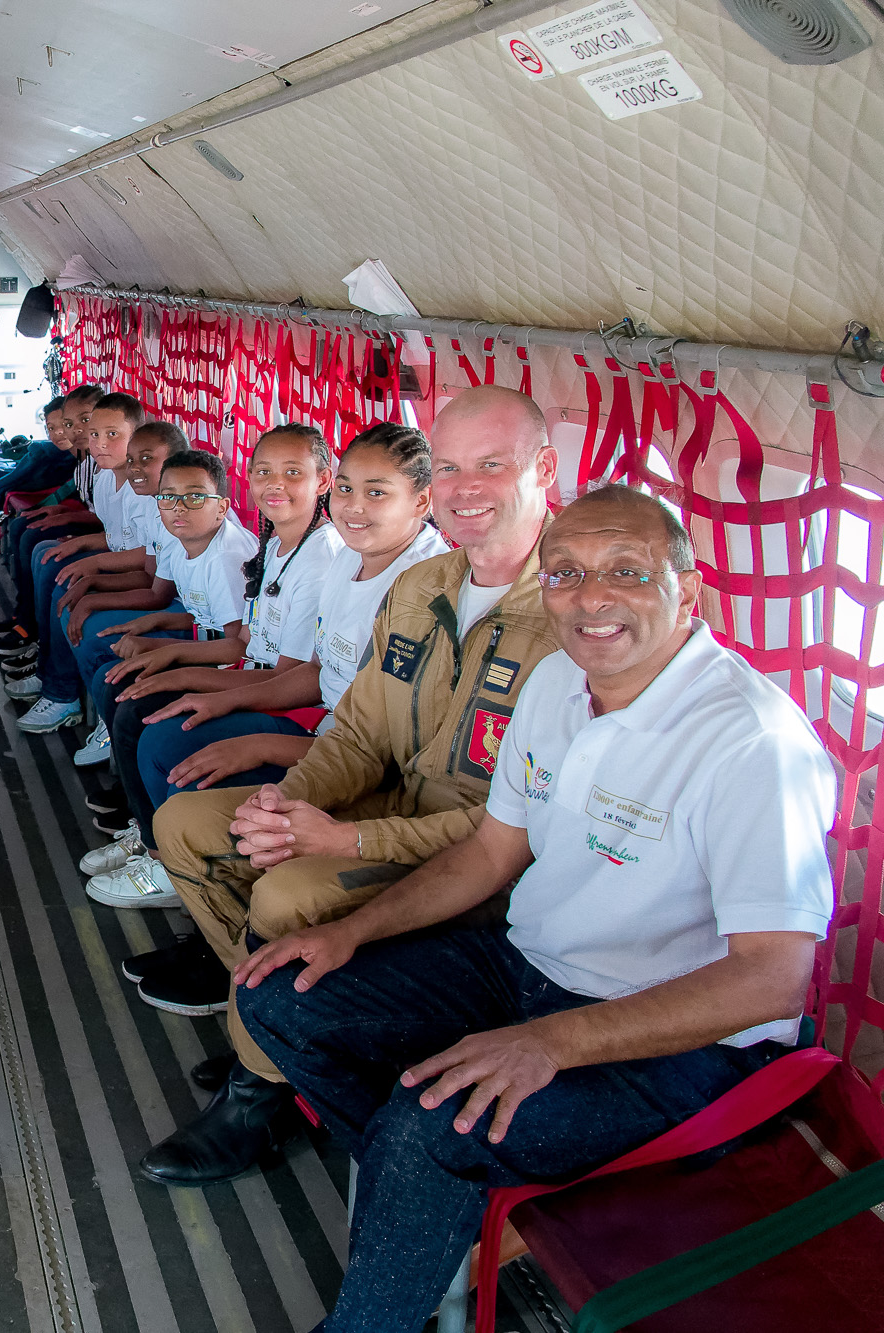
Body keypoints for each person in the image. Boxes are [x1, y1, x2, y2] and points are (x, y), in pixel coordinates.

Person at [233, 485, 835, 1333]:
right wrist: (346, 932)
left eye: (627, 570)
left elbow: (772, 981)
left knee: (425, 1127)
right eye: (566, 573)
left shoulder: (751, 742)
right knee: (279, 996)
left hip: (681, 1044)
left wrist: (548, 1042)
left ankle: (385, 1283)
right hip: (527, 969)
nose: (592, 597)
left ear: (687, 592)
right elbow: (489, 853)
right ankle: (433, 1199)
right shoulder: (557, 679)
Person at [139, 385, 566, 1186]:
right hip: (389, 804)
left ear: (544, 468)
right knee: (190, 824)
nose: (465, 487)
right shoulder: (423, 588)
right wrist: (289, 799)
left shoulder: (567, 618)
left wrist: (342, 838)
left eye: (491, 465)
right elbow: (362, 729)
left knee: (283, 896)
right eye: (449, 467)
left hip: (479, 860)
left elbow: (515, 828)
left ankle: (254, 1091)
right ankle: (275, 1024)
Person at [91, 424, 346, 865]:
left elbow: (288, 673)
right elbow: (244, 642)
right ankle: (150, 837)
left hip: (294, 706)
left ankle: (163, 857)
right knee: (129, 694)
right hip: (256, 675)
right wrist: (174, 661)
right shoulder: (277, 545)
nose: (275, 485)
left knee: (152, 731)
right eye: (263, 472)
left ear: (323, 480)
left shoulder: (323, 558)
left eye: (292, 473)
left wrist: (194, 680)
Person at [59, 431, 258, 771]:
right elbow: (202, 616)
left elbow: (236, 646)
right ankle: (122, 772)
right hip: (205, 640)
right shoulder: (178, 535)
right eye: (169, 497)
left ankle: (137, 806)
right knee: (113, 679)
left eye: (194, 498)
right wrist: (155, 624)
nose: (179, 507)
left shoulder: (227, 556)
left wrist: (165, 647)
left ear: (221, 507)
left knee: (130, 698)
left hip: (235, 666)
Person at [8, 391, 147, 732]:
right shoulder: (102, 477)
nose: (97, 441)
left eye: (111, 434)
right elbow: (115, 537)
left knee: (63, 584)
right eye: (94, 433)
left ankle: (62, 694)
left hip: (148, 578)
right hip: (132, 564)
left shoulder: (141, 487)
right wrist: (83, 548)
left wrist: (90, 570)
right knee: (47, 554)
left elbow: (149, 562)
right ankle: (45, 664)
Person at [0, 384, 105, 669]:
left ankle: (34, 635)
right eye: (64, 425)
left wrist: (68, 520)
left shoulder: (109, 463)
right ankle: (25, 616)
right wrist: (59, 511)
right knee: (24, 528)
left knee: (40, 547)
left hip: (104, 540)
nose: (70, 432)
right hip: (97, 531)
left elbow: (109, 524)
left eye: (84, 421)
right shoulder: (84, 462)